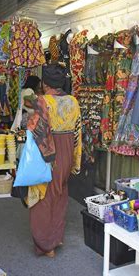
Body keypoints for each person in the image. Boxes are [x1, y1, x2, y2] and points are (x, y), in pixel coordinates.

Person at [26, 64, 82, 257]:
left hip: (48, 153)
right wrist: (75, 159)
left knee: (43, 197)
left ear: (44, 83)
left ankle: (45, 244)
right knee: (60, 195)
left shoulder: (43, 100)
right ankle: (56, 238)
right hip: (66, 151)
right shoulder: (73, 101)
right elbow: (77, 133)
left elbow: (38, 131)